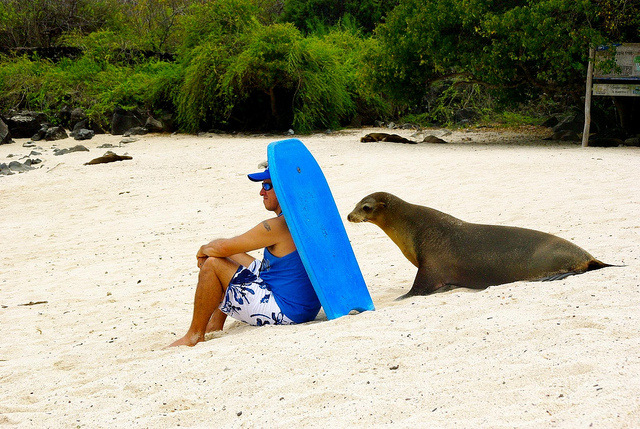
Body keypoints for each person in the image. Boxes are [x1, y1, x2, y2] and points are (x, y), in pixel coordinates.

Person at [167, 167, 321, 347]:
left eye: (267, 186)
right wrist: (212, 248)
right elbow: (225, 247)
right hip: (304, 306)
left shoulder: (277, 226)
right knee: (226, 254)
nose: (261, 191)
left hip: (286, 311)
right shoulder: (301, 219)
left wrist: (202, 249)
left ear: (283, 188)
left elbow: (222, 248)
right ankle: (214, 325)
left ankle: (194, 335)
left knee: (213, 264)